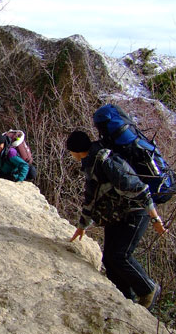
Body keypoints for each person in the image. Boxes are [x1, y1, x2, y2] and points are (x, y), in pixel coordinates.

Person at [66, 130, 167, 310]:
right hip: (118, 214)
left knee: (120, 255)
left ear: (76, 150)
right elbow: (91, 197)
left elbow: (139, 189)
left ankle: (148, 290)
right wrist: (82, 226)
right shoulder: (92, 163)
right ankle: (125, 299)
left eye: (70, 152)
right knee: (109, 260)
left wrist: (155, 219)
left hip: (136, 212)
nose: (71, 155)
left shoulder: (105, 161)